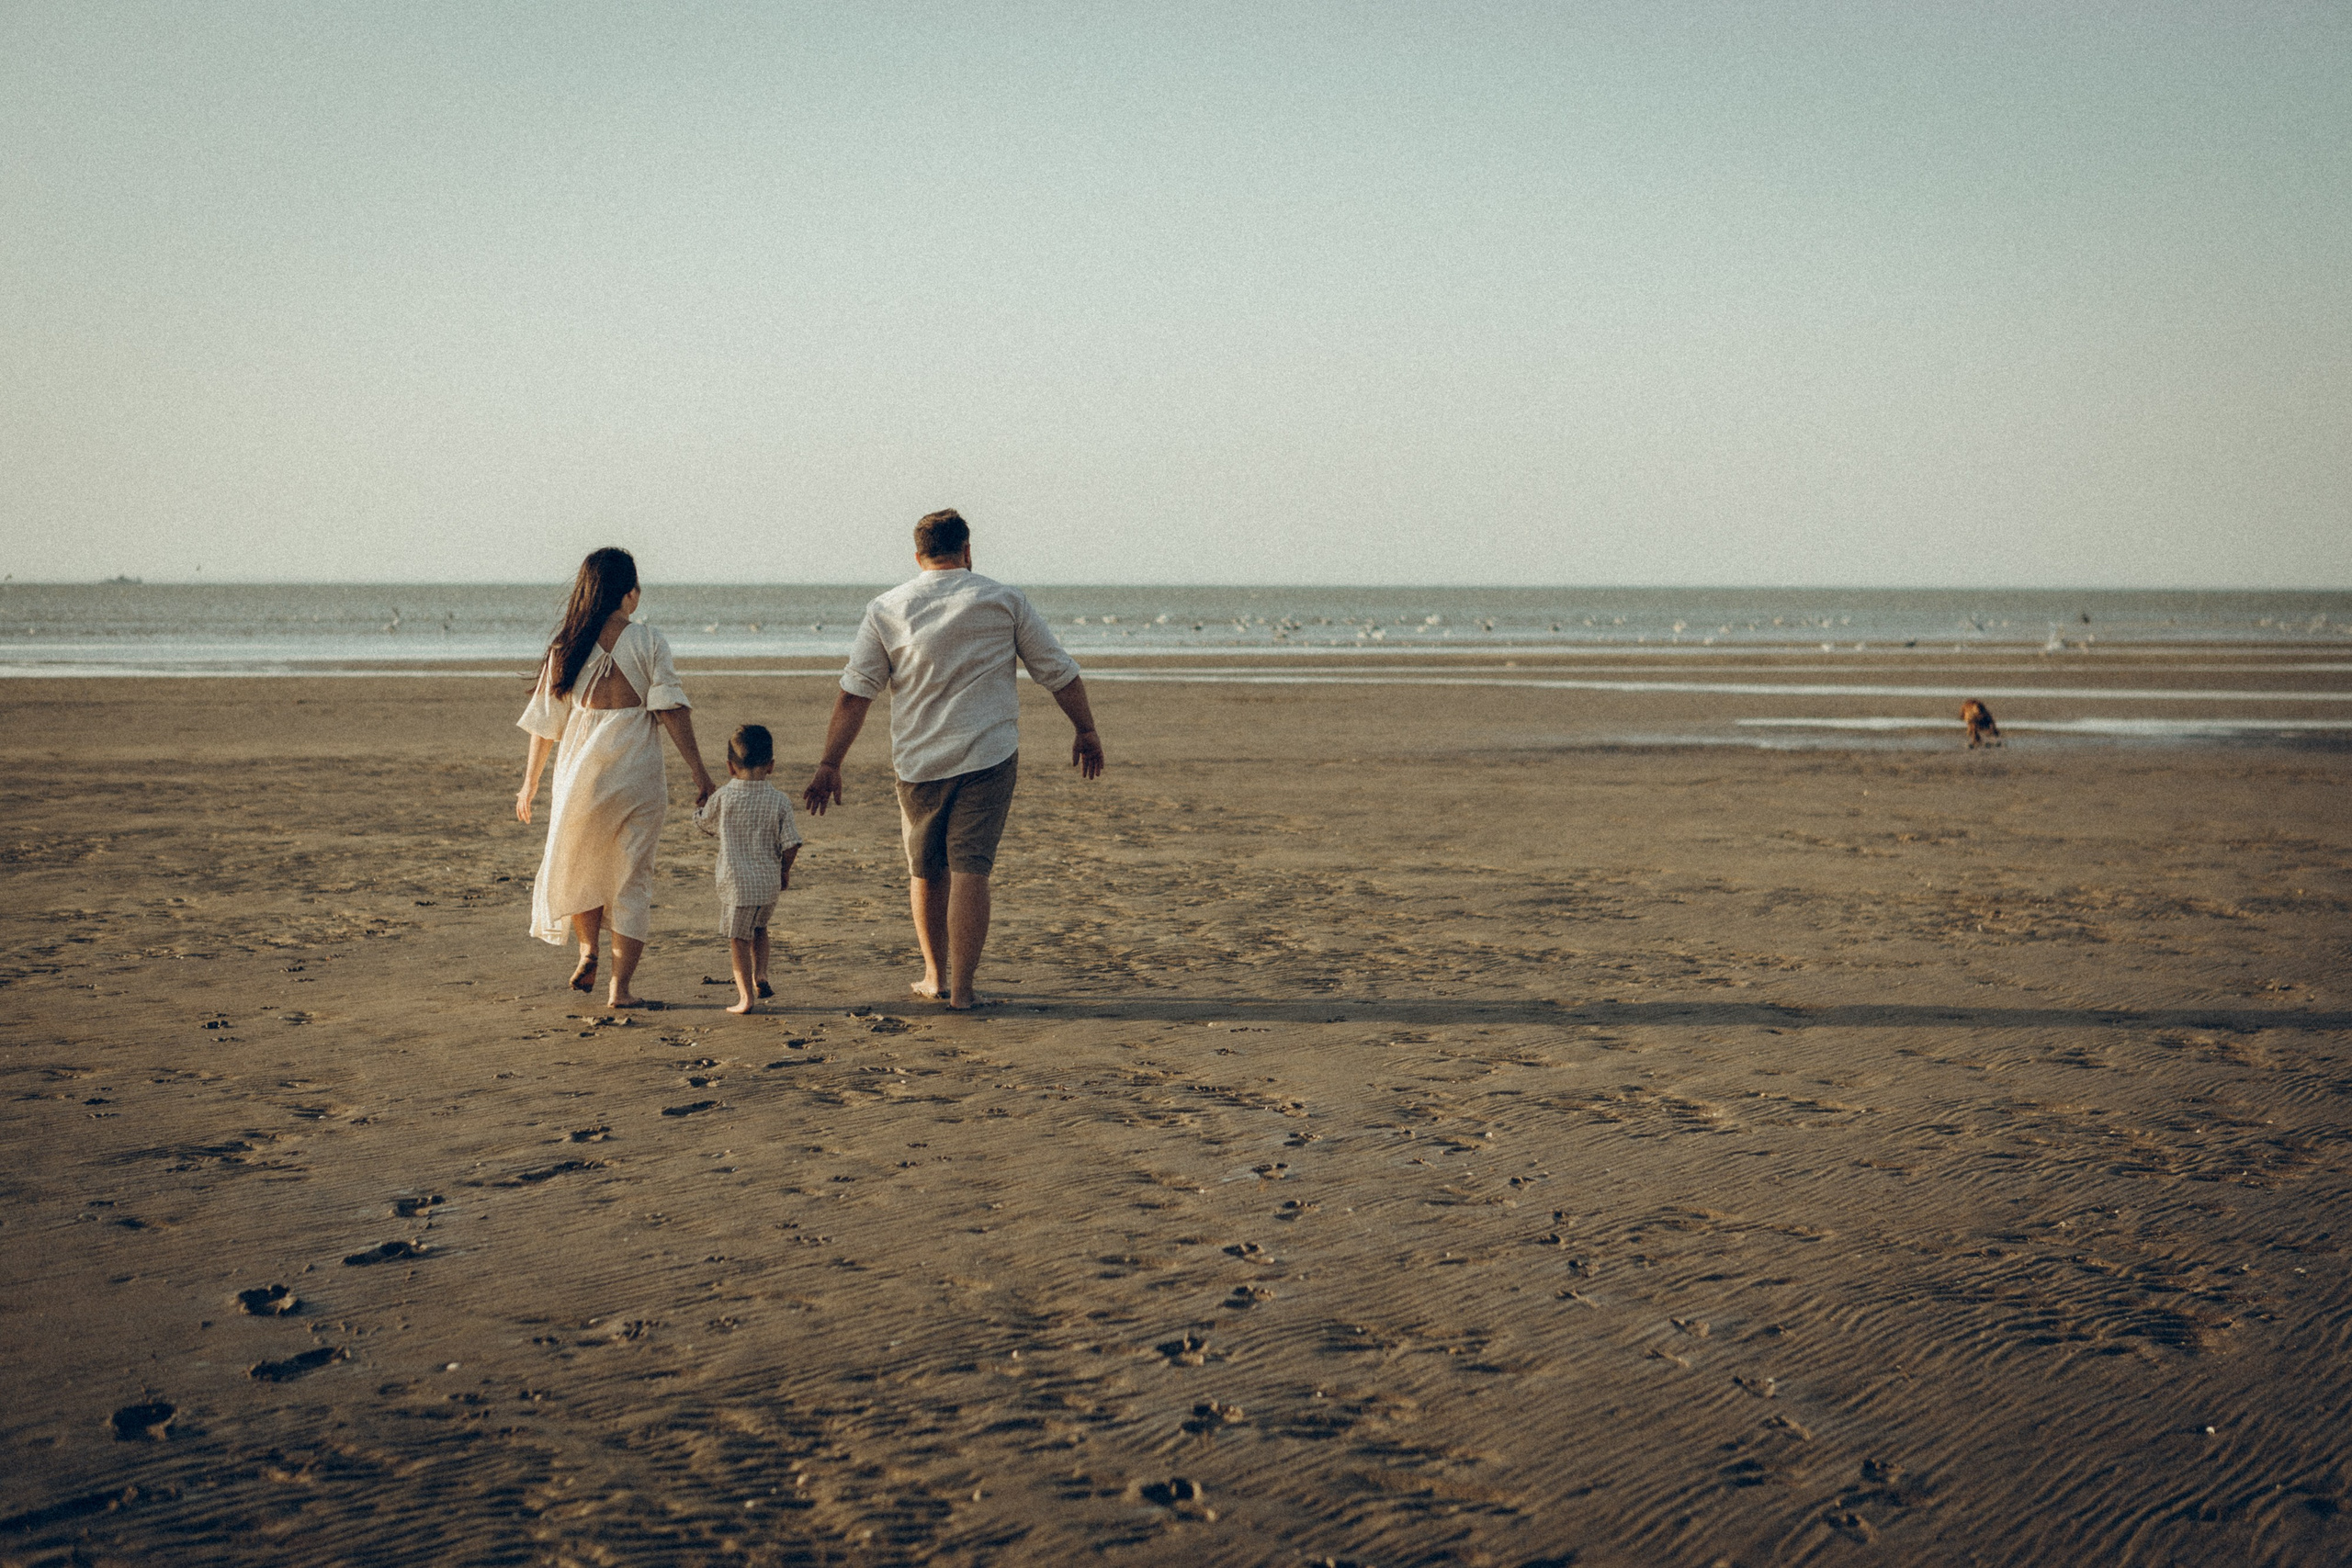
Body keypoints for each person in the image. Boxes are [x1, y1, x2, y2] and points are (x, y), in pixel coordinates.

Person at [802, 509, 1103, 1010]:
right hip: (989, 754)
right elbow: (1058, 671)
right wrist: (1086, 730)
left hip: (919, 760)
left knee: (925, 869)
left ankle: (934, 976)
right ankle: (963, 991)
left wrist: (830, 763)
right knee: (971, 869)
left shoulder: (887, 607)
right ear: (967, 550)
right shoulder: (1004, 600)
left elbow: (855, 694)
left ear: (918, 557)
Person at [515, 547, 716, 1007]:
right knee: (632, 878)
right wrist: (699, 773)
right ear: (631, 593)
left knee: (583, 860)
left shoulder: (567, 645)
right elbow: (670, 708)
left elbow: (546, 724)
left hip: (580, 771)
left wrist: (530, 784)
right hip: (637, 772)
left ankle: (588, 950)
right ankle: (620, 990)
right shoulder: (647, 641)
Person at [695, 723, 803, 1014]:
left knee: (739, 939)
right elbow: (791, 844)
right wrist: (784, 871)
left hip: (737, 885)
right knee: (760, 929)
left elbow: (705, 823)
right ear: (771, 766)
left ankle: (745, 998)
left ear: (730, 768)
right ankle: (762, 974)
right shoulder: (779, 800)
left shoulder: (724, 798)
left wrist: (701, 807)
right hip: (767, 884)